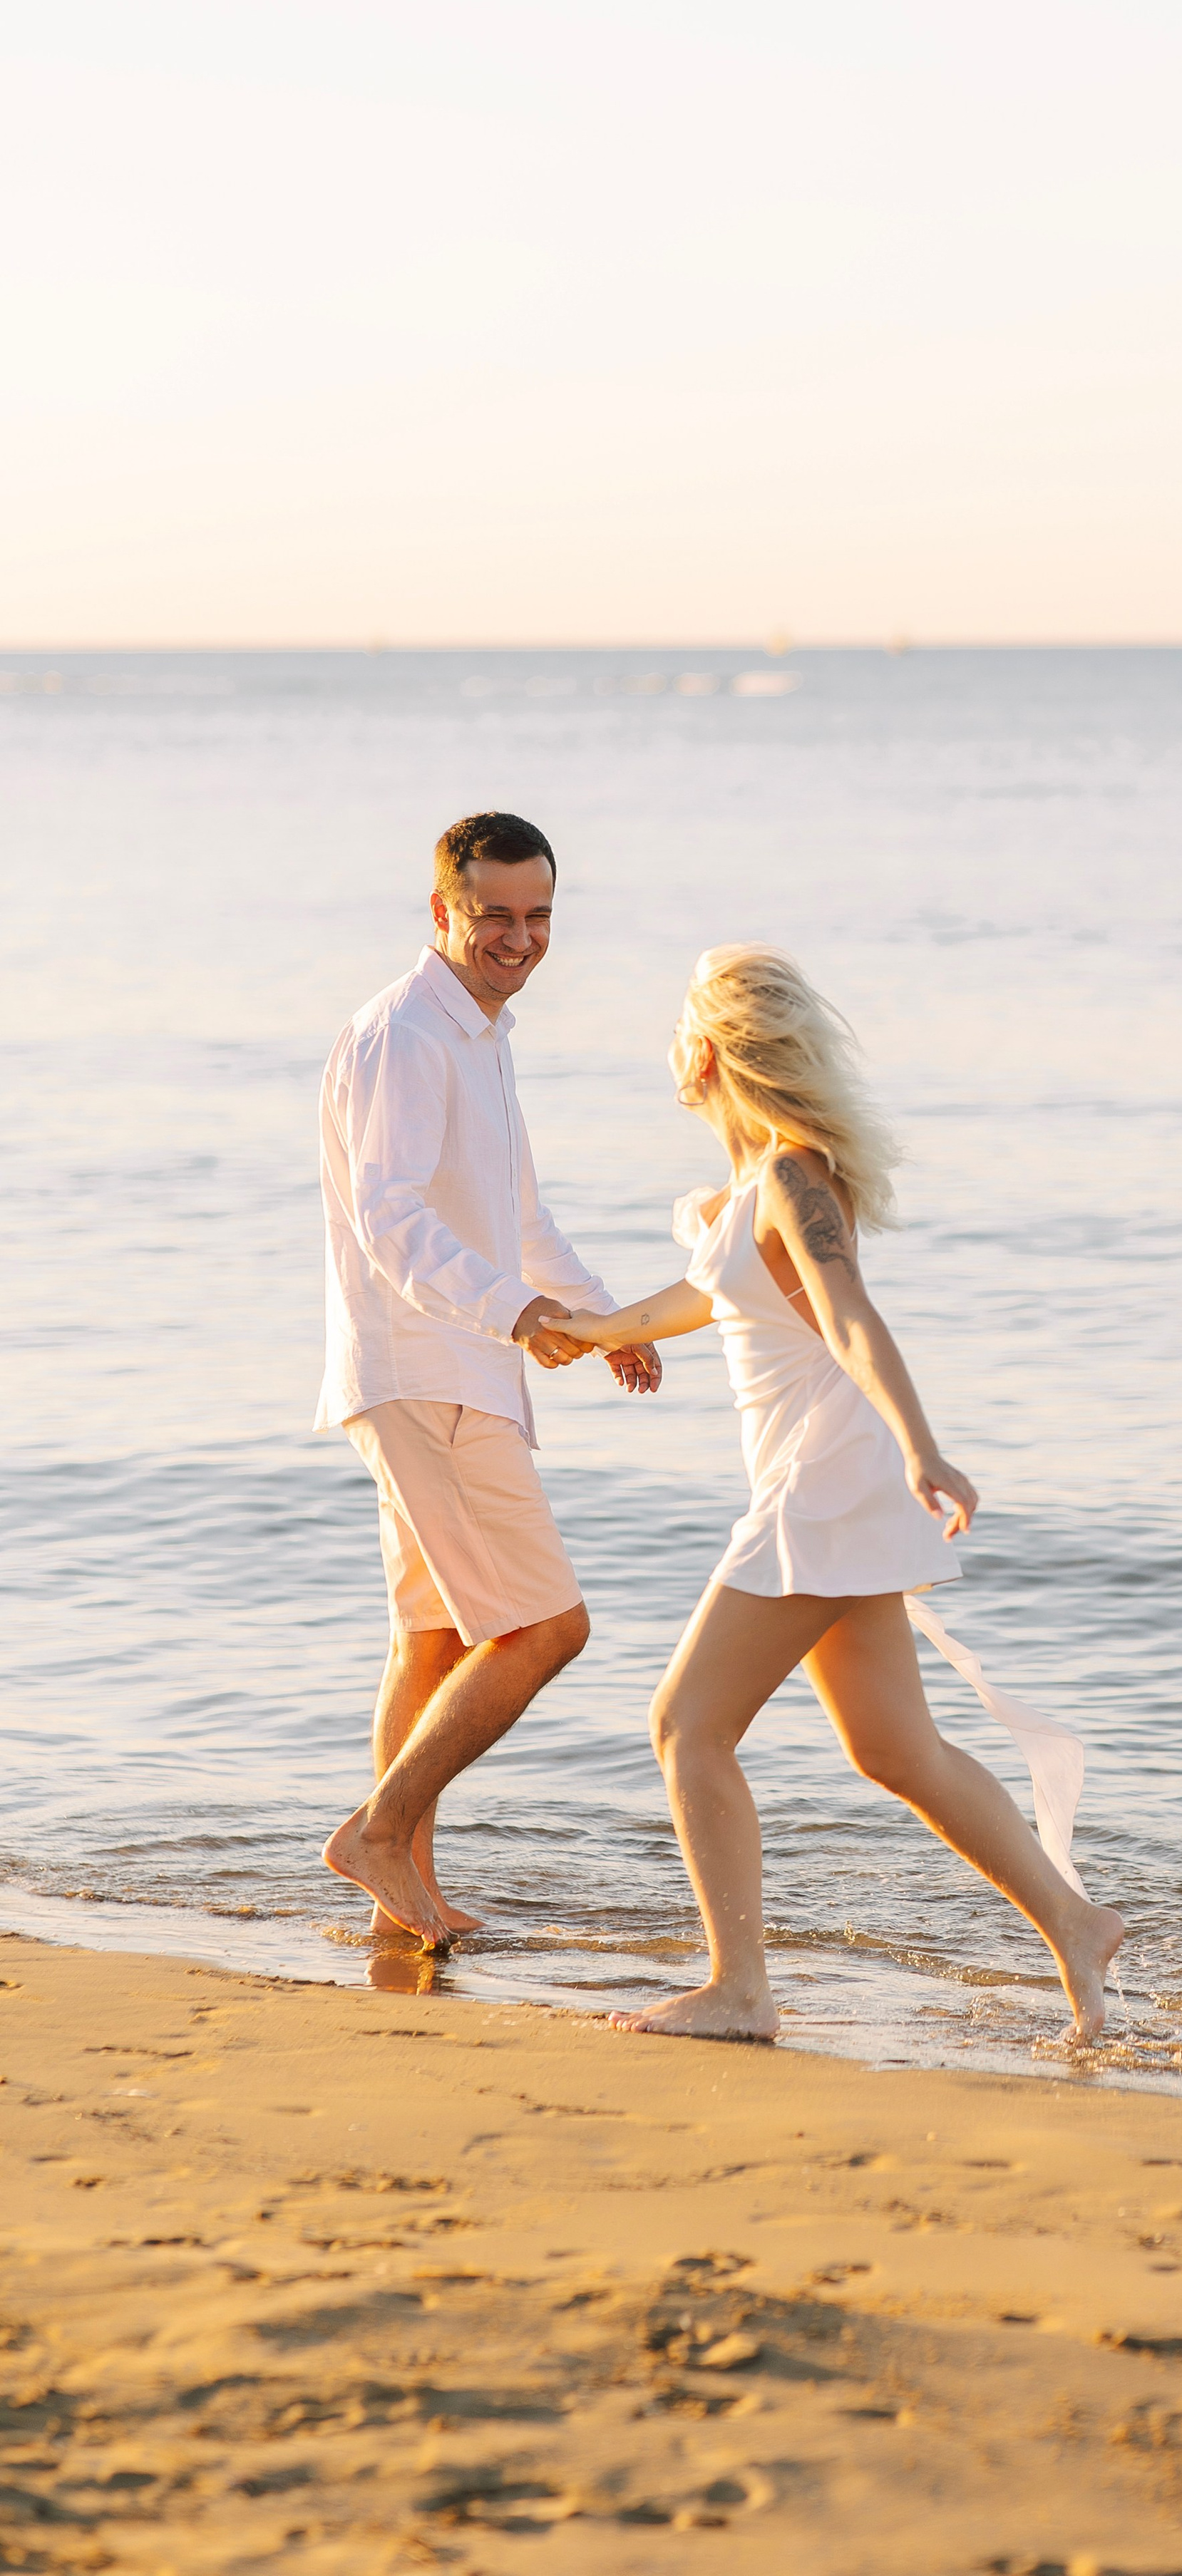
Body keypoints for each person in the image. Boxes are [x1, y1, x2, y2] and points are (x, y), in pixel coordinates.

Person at [554, 944, 1124, 2044]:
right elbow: (702, 1298)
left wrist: (924, 1449)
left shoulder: (794, 1178)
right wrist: (590, 1330)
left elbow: (850, 1317)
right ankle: (1074, 1921)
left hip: (828, 1480)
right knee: (894, 1749)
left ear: (708, 1050)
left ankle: (740, 1990)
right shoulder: (751, 1188)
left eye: (679, 1031)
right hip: (820, 1480)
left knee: (687, 1726)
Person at [314, 810, 659, 1948]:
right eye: (495, 915)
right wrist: (519, 1315)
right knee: (546, 1628)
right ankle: (378, 1832)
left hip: (440, 1372)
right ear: (442, 911)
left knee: (434, 1639)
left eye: (538, 916)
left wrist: (603, 1319)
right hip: (433, 1371)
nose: (520, 939)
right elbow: (390, 1217)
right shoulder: (410, 1032)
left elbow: (516, 1213)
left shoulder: (477, 1030)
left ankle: (401, 1901)